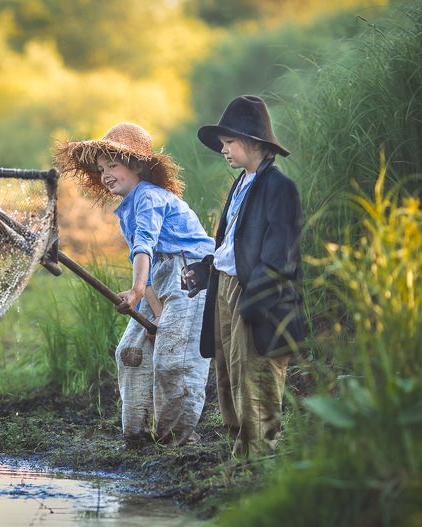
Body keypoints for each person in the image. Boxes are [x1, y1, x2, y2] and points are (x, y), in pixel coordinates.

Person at [54, 122, 215, 447]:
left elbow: (145, 247)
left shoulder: (151, 197)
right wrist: (154, 316)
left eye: (113, 165)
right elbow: (148, 264)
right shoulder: (127, 208)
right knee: (131, 352)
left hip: (192, 275)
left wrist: (137, 290)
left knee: (174, 359)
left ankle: (176, 439)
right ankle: (137, 436)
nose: (106, 174)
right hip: (162, 278)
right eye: (101, 168)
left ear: (138, 165)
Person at [183, 95, 306, 458]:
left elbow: (279, 254)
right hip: (226, 289)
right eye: (223, 144)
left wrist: (255, 301)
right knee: (229, 375)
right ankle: (239, 455)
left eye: (230, 142)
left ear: (254, 142)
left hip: (256, 296)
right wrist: (206, 271)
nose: (224, 150)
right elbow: (233, 245)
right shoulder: (241, 184)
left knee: (255, 375)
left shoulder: (280, 188)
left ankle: (261, 458)